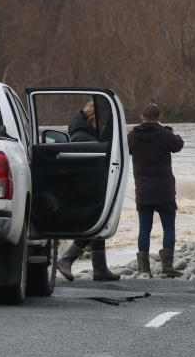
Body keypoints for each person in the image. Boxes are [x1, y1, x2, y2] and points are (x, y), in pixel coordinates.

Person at [54, 100, 120, 282]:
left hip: (85, 184)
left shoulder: (82, 133)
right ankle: (66, 259)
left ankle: (100, 269)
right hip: (85, 186)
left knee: (100, 221)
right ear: (92, 120)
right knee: (97, 222)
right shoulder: (82, 137)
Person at [127, 103, 184, 277]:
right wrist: (176, 134)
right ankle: (167, 267)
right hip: (164, 190)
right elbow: (178, 145)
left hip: (143, 191)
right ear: (159, 117)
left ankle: (144, 269)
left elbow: (125, 150)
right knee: (169, 227)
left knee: (144, 228)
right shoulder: (165, 134)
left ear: (142, 117)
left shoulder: (133, 136)